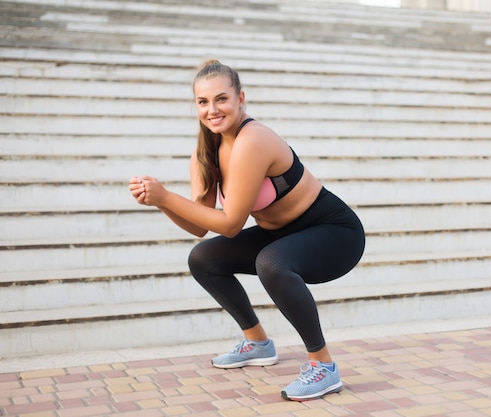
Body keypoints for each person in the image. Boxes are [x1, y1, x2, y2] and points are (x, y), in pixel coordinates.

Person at [128, 59, 365, 401]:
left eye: (221, 99)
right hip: (280, 234)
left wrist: (166, 194)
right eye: (203, 102)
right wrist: (160, 202)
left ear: (241, 99)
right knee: (204, 258)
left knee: (272, 262)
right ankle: (257, 343)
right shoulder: (205, 151)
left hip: (334, 231)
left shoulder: (253, 139)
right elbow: (198, 226)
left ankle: (323, 367)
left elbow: (230, 224)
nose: (212, 109)